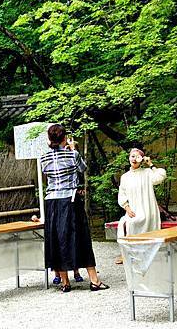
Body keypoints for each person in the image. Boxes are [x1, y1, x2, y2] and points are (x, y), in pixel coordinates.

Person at [41, 124, 109, 293]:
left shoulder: (43, 158)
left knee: (57, 239)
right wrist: (70, 148)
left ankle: (65, 282)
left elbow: (45, 174)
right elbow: (83, 169)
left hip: (52, 201)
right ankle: (94, 280)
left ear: (49, 140)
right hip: (70, 200)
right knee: (81, 237)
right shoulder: (73, 155)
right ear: (65, 138)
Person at [115, 148, 166, 264]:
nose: (134, 159)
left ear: (141, 159)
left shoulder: (147, 173)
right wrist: (127, 208)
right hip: (133, 209)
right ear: (129, 158)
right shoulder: (125, 177)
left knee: (139, 221)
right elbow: (122, 194)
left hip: (148, 209)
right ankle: (128, 253)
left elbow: (161, 176)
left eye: (137, 157)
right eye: (132, 156)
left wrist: (150, 164)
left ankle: (146, 252)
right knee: (127, 223)